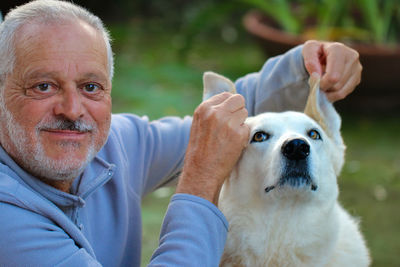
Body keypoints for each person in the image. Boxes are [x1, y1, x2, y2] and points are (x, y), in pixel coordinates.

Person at [0, 0, 362, 266]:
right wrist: (201, 182)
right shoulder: (8, 226)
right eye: (43, 86)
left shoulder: (113, 145)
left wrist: (306, 65)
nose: (72, 109)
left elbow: (225, 119)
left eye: (91, 86)